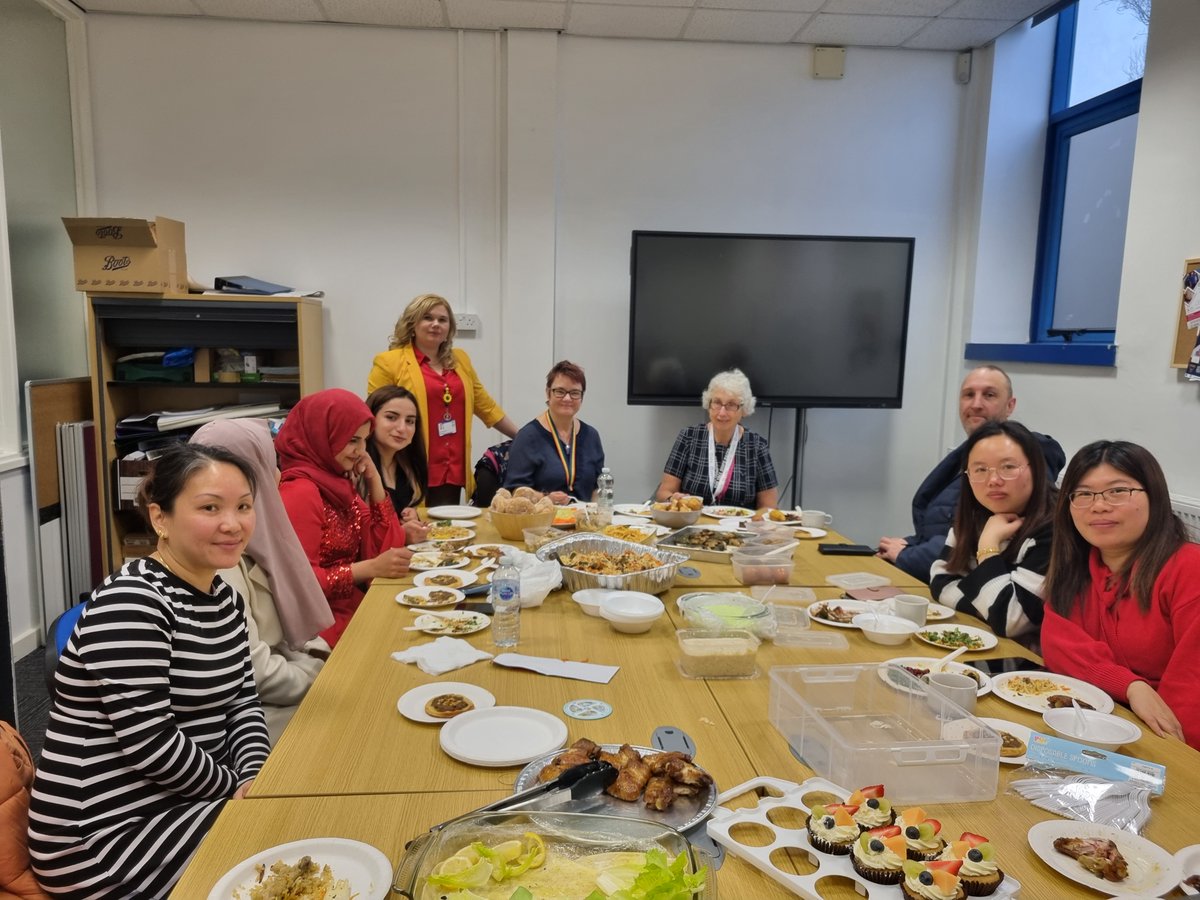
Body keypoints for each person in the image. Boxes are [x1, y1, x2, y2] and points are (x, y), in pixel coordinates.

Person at [28, 444, 270, 898]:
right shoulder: (133, 601)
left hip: (181, 799)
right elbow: (150, 743)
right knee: (284, 840)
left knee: (289, 822)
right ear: (160, 518)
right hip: (100, 835)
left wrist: (256, 775)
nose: (232, 524)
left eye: (243, 507)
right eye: (209, 507)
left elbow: (243, 701)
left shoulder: (224, 599)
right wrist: (235, 790)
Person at [1042, 441, 1200, 748]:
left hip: (1170, 745)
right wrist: (1130, 686)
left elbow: (1191, 692)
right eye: (1083, 494)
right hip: (1100, 730)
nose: (1098, 505)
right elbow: (1058, 644)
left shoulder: (1189, 568)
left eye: (1118, 491)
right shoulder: (1076, 567)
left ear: (1154, 496)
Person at [190, 419, 333, 745]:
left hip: (277, 687)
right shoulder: (220, 559)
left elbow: (284, 635)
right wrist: (318, 675)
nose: (279, 475)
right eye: (270, 464)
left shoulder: (256, 537)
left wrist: (322, 659)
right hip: (248, 720)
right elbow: (253, 670)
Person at [877, 365, 1065, 582]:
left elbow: (981, 537)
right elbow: (947, 530)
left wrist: (907, 555)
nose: (976, 404)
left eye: (989, 395)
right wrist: (910, 545)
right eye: (968, 395)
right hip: (933, 570)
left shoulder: (1033, 457)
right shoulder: (963, 455)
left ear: (1010, 405)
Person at [277, 388, 409, 648]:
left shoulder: (336, 480)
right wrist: (370, 568)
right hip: (322, 624)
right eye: (351, 441)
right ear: (322, 435)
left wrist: (374, 480)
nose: (360, 451)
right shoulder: (300, 491)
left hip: (352, 607)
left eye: (363, 441)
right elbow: (302, 582)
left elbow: (385, 546)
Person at [366, 294, 518, 506]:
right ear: (413, 323)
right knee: (411, 530)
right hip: (408, 465)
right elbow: (375, 412)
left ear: (449, 328)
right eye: (427, 318)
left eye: (442, 320)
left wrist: (524, 438)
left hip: (452, 469)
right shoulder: (389, 362)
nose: (435, 324)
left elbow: (486, 406)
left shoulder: (460, 360)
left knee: (447, 532)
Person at [929, 421, 1055, 644]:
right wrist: (989, 608)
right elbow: (941, 580)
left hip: (1026, 665)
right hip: (982, 644)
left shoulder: (1053, 528)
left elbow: (1009, 620)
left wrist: (987, 546)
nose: (993, 481)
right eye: (980, 470)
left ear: (1035, 468)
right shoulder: (977, 514)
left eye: (1008, 467)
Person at [655, 368, 779, 510]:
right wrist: (672, 499)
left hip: (739, 528)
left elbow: (769, 507)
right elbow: (663, 493)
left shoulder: (757, 446)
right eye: (717, 403)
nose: (722, 412)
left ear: (744, 410)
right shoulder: (689, 437)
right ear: (708, 405)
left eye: (731, 405)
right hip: (693, 526)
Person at [504, 361, 605, 505]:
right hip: (541, 522)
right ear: (548, 393)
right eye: (560, 391)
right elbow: (515, 491)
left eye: (575, 393)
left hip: (583, 522)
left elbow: (598, 487)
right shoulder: (527, 437)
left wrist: (597, 518)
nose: (567, 398)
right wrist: (545, 498)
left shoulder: (591, 436)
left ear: (582, 396)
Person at [366, 385, 431, 542]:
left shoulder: (408, 465)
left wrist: (411, 516)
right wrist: (400, 534)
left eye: (410, 421)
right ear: (371, 418)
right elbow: (359, 537)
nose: (402, 428)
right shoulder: (359, 468)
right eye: (391, 417)